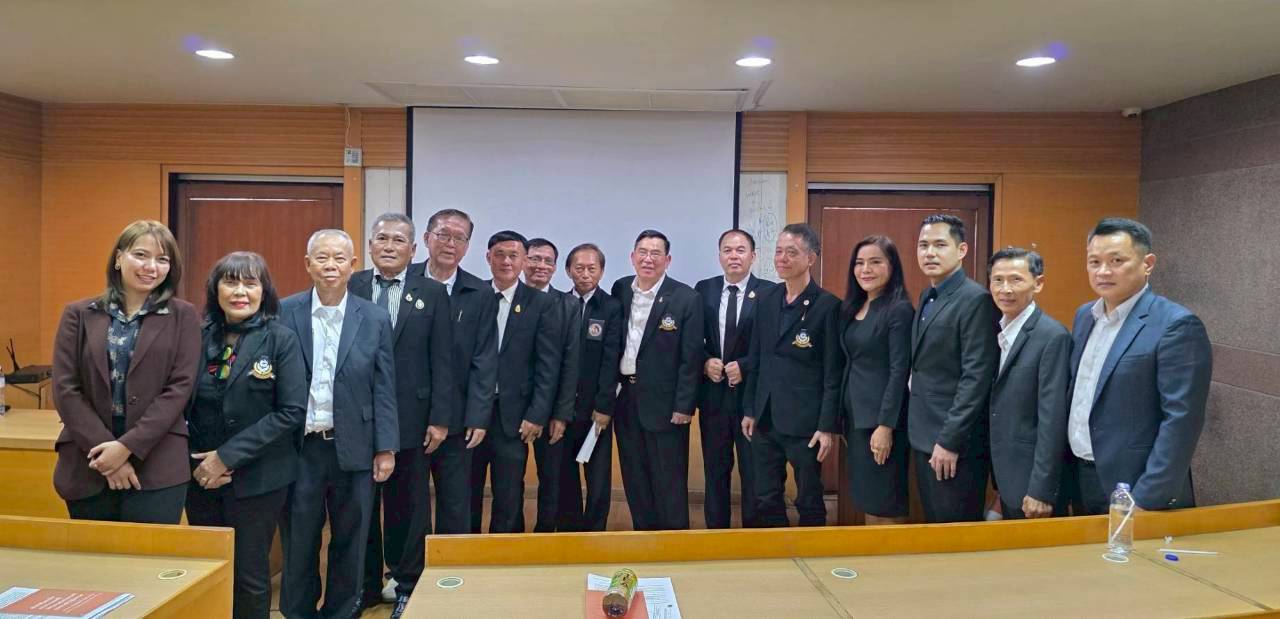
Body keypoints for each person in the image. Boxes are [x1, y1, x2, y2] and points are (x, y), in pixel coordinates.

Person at [279, 229, 398, 619]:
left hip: (356, 446)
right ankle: (297, 612)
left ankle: (342, 612)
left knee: (351, 538)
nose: (330, 265)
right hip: (300, 447)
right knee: (299, 538)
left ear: (352, 265)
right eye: (322, 257)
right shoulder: (284, 311)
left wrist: (386, 447)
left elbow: (384, 386)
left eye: (339, 258)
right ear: (308, 264)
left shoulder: (374, 317)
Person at [51, 219, 200, 524]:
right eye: (140, 255)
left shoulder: (183, 316)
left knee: (150, 554)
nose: (151, 267)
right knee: (93, 553)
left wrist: (126, 448)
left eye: (162, 259)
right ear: (119, 258)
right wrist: (108, 456)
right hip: (88, 462)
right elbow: (65, 388)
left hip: (158, 465)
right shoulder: (79, 314)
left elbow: (179, 389)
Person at [185, 251, 307, 619]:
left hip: (259, 478)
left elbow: (291, 412)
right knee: (207, 570)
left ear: (264, 291)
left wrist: (226, 457)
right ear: (215, 290)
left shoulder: (281, 339)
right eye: (231, 282)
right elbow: (177, 402)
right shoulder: (194, 337)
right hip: (200, 476)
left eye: (250, 283)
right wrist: (202, 462)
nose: (240, 292)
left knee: (250, 577)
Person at [1066, 218, 1211, 514]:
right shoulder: (1084, 316)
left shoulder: (1176, 325)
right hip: (1082, 476)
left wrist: (1146, 498)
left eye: (1116, 261)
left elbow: (1182, 420)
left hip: (1136, 487)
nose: (1103, 271)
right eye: (1094, 262)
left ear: (1148, 264)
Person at [349, 214, 455, 615]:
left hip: (413, 416)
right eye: (382, 238)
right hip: (359, 416)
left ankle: (408, 583)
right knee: (359, 505)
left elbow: (443, 358)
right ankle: (364, 586)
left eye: (398, 240)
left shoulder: (432, 292)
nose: (389, 246)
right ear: (370, 245)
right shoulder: (353, 285)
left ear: (413, 249)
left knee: (409, 505)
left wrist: (440, 418)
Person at [742, 224, 843, 527]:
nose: (782, 258)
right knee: (765, 496)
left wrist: (826, 426)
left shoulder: (828, 306)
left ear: (811, 258)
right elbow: (757, 359)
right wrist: (750, 409)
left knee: (809, 499)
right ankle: (778, 551)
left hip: (806, 424)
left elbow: (833, 373)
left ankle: (811, 552)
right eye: (778, 251)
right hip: (766, 418)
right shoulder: (765, 298)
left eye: (791, 252)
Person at [410, 208, 498, 537]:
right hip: (411, 414)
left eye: (459, 238)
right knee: (411, 502)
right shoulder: (405, 282)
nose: (450, 243)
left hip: (458, 419)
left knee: (456, 502)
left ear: (467, 246)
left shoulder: (480, 293)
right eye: (443, 235)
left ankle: (452, 565)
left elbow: (484, 359)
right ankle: (410, 566)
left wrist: (479, 416)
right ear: (426, 238)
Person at [468, 231, 562, 533]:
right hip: (470, 413)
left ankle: (503, 553)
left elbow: (548, 365)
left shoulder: (540, 303)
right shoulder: (472, 295)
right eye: (499, 254)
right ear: (488, 258)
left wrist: (537, 414)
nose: (506, 261)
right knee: (465, 491)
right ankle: (467, 552)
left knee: (508, 493)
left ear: (524, 261)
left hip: (514, 416)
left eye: (514, 255)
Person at [908, 214, 999, 523]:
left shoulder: (976, 300)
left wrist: (949, 440)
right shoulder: (928, 294)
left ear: (962, 250)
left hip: (954, 443)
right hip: (923, 434)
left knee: (955, 530)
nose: (929, 253)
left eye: (940, 245)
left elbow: (976, 378)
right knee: (935, 525)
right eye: (923, 245)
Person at [610, 230, 703, 531]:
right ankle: (644, 538)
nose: (648, 259)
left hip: (666, 404)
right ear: (632, 256)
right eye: (643, 252)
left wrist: (684, 406)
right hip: (626, 398)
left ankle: (674, 543)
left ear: (668, 260)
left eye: (656, 253)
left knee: (668, 480)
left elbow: (691, 357)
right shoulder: (621, 289)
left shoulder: (686, 298)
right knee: (634, 477)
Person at [694, 229, 775, 528]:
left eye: (741, 250)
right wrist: (705, 362)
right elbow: (692, 339)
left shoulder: (769, 292)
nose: (734, 256)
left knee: (753, 471)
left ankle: (752, 536)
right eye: (727, 250)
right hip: (713, 396)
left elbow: (772, 348)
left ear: (753, 256)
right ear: (719, 256)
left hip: (751, 398)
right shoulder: (704, 289)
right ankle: (716, 536)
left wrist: (745, 365)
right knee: (715, 470)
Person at [986, 247, 1071, 519]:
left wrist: (1041, 489)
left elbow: (1052, 419)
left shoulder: (1052, 336)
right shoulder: (998, 330)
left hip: (1033, 484)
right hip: (1007, 474)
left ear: (1038, 283)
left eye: (1016, 279)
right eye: (998, 280)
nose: (1005, 289)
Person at [839, 235, 914, 525]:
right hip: (856, 420)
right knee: (867, 499)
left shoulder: (899, 309)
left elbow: (899, 371)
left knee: (885, 503)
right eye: (859, 263)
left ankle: (892, 554)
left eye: (875, 262)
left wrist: (885, 426)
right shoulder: (853, 307)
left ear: (892, 266)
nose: (865, 269)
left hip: (880, 423)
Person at [556, 243, 623, 532]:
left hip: (596, 408)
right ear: (568, 270)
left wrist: (604, 406)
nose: (585, 274)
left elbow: (611, 360)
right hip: (562, 408)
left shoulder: (611, 307)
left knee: (597, 476)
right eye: (579, 268)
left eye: (592, 268)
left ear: (602, 271)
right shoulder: (558, 304)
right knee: (565, 473)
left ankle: (595, 531)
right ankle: (569, 530)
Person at [523, 237, 580, 532]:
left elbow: (571, 363)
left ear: (557, 267)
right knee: (509, 479)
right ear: (523, 261)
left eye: (548, 261)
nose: (540, 266)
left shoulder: (568, 304)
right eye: (534, 258)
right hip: (509, 406)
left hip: (552, 408)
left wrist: (561, 413)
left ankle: (545, 534)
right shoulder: (503, 296)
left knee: (552, 478)